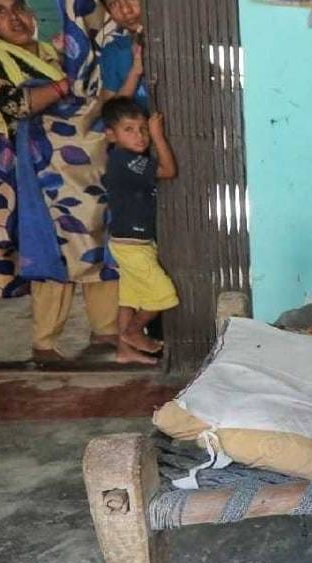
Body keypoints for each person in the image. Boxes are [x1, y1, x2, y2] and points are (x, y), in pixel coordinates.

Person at [0, 0, 120, 362]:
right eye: (0, 12)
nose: (14, 18)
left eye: (18, 7)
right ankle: (45, 343)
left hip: (87, 171)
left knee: (98, 243)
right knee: (52, 250)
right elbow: (17, 105)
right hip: (42, 173)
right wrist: (65, 86)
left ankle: (107, 332)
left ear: (32, 13)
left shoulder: (56, 52)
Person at [100, 97, 178, 365]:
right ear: (111, 135)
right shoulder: (125, 160)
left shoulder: (127, 158)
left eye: (143, 129)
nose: (140, 136)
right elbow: (168, 170)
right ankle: (133, 331)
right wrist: (158, 135)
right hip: (132, 244)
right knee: (162, 294)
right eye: (129, 130)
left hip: (130, 242)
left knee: (130, 298)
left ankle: (124, 350)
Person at [98, 0, 148, 108]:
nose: (125, 10)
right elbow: (111, 111)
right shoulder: (114, 51)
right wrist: (134, 73)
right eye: (113, 4)